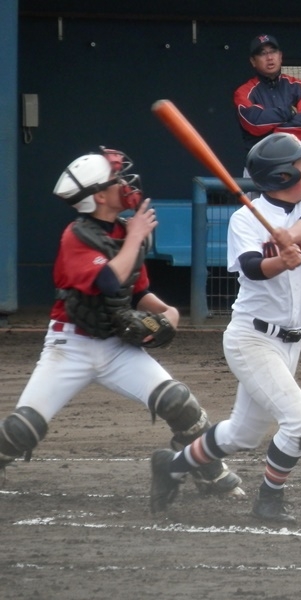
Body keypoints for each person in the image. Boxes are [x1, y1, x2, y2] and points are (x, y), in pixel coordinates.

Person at [0, 147, 243, 499]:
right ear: (99, 196)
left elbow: (136, 289)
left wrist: (167, 311)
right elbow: (108, 281)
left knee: (178, 402)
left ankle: (203, 469)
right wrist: (135, 237)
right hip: (70, 347)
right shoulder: (76, 236)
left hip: (115, 346)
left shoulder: (127, 232)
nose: (125, 183)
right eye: (115, 180)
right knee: (23, 428)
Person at [150, 133, 301, 524]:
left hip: (291, 340)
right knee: (300, 421)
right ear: (283, 175)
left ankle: (172, 466)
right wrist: (280, 260)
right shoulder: (244, 219)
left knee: (242, 434)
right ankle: (269, 499)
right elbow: (252, 268)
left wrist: (289, 238)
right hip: (252, 339)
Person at [234, 33, 301, 321]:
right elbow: (253, 122)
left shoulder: (300, 86)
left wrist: (272, 125)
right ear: (253, 61)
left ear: (281, 55)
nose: (269, 57)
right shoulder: (245, 91)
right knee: (258, 239)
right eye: (262, 53)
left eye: (273, 51)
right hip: (259, 170)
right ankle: (255, 299)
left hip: (294, 167)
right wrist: (287, 115)